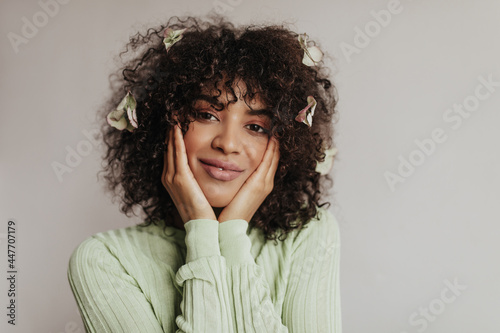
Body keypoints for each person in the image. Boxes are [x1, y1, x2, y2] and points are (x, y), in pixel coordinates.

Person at [67, 14, 341, 333]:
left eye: (256, 127)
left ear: (286, 145)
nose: (226, 143)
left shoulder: (308, 233)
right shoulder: (103, 260)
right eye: (207, 114)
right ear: (165, 122)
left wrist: (232, 234)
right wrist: (202, 234)